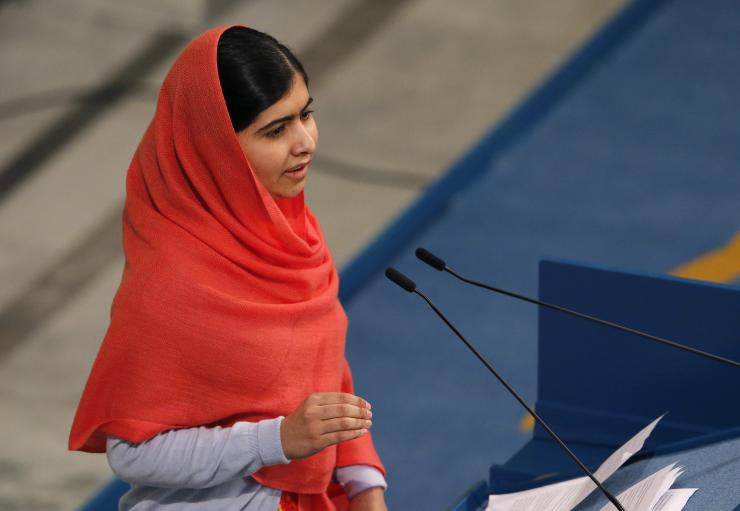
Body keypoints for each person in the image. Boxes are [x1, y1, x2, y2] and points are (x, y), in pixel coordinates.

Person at [68, 25, 388, 511]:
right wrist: (275, 440)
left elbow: (323, 367)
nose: (305, 142)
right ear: (216, 147)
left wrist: (365, 486)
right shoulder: (168, 285)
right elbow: (133, 453)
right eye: (276, 131)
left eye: (306, 114)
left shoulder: (292, 232)